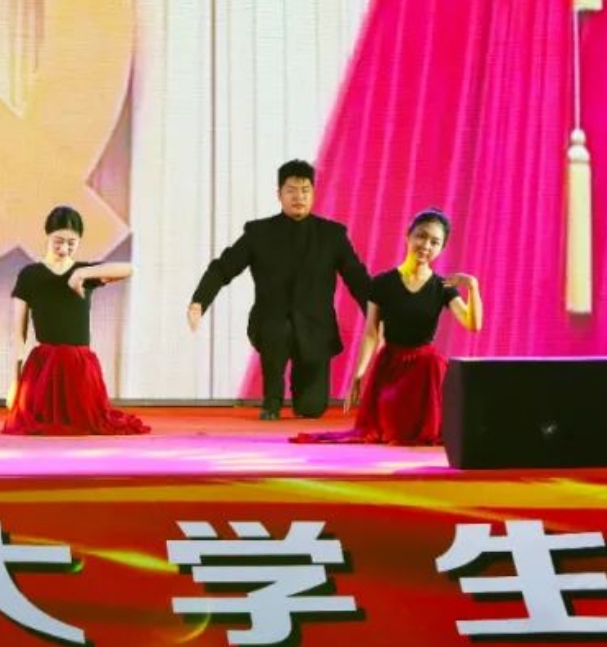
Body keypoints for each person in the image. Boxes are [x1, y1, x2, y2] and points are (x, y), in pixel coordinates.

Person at [187, 160, 372, 420]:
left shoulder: (332, 235)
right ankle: (272, 400)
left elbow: (357, 278)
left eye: (305, 190)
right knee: (278, 329)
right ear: (279, 194)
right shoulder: (259, 233)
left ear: (313, 193)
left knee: (311, 409)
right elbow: (223, 268)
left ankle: (301, 387)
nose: (299, 197)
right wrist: (199, 301)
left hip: (315, 327)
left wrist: (376, 314)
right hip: (272, 322)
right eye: (291, 190)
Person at [294, 209, 480, 446]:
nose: (426, 245)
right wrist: (358, 375)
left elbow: (473, 324)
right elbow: (371, 333)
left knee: (416, 424)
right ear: (408, 236)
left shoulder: (443, 286)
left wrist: (473, 287)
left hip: (426, 370)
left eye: (434, 242)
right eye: (421, 236)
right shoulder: (382, 283)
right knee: (391, 427)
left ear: (442, 248)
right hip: (390, 365)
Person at [3, 205, 147, 436]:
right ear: (48, 236)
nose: (64, 248)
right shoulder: (30, 275)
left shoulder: (85, 272)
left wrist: (81, 274)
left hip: (79, 366)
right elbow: (19, 335)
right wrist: (15, 384)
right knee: (34, 426)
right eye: (58, 241)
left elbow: (128, 269)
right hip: (44, 367)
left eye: (72, 243)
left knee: (88, 425)